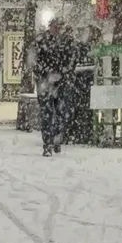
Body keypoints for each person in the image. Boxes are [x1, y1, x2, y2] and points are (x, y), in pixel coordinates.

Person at [34, 18, 78, 156]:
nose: (57, 29)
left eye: (59, 27)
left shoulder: (69, 42)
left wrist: (63, 73)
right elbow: (33, 60)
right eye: (55, 26)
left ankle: (57, 140)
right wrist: (45, 74)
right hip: (45, 82)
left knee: (61, 113)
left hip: (62, 82)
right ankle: (47, 144)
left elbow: (73, 60)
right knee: (46, 113)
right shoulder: (41, 40)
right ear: (50, 27)